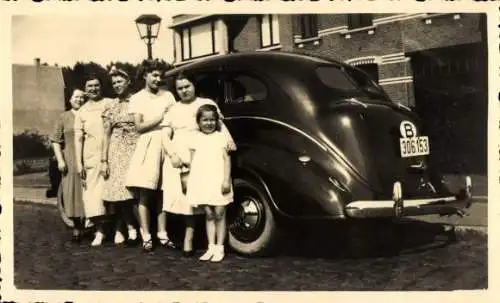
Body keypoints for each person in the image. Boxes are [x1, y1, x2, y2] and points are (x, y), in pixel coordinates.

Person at [161, 74, 236, 257]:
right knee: (189, 199)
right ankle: (191, 238)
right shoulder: (173, 109)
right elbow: (165, 135)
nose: (184, 90)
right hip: (181, 155)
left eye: (187, 86)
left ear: (194, 85)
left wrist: (229, 141)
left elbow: (219, 125)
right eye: (179, 88)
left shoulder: (205, 103)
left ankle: (206, 242)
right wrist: (172, 155)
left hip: (206, 152)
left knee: (210, 204)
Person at [125, 59, 176, 253]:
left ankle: (163, 234)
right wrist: (161, 118)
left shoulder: (169, 95)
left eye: (160, 75)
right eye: (154, 75)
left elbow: (174, 119)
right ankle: (146, 235)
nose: (158, 78)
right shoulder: (137, 98)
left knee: (164, 191)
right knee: (145, 192)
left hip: (167, 142)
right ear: (145, 75)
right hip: (148, 144)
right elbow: (139, 127)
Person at [184, 104, 235, 262]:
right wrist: (192, 181)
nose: (209, 123)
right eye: (205, 120)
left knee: (220, 213)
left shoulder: (221, 137)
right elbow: (193, 162)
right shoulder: (194, 138)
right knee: (209, 214)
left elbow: (227, 160)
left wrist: (226, 180)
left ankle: (220, 248)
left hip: (218, 179)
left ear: (216, 121)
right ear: (198, 122)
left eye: (212, 120)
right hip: (203, 181)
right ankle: (211, 247)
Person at [100, 66, 139, 246]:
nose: (116, 85)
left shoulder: (138, 101)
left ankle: (140, 229)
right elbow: (106, 135)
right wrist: (104, 160)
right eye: (113, 82)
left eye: (119, 81)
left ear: (128, 82)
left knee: (137, 193)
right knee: (121, 193)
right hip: (117, 151)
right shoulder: (111, 106)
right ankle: (130, 228)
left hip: (136, 149)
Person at [75, 75, 114, 246]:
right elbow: (78, 139)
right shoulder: (82, 111)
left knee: (113, 194)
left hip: (111, 153)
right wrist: (79, 163)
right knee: (93, 196)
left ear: (101, 87)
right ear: (85, 90)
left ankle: (119, 229)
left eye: (96, 85)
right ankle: (100, 231)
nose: (93, 89)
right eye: (90, 86)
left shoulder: (110, 103)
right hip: (90, 157)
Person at [50, 88, 86, 242]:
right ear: (70, 100)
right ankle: (77, 228)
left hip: (89, 156)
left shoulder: (88, 114)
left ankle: (96, 226)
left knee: (90, 191)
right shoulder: (63, 117)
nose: (79, 99)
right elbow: (55, 140)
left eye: (82, 97)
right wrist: (60, 160)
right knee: (73, 192)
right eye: (76, 97)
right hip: (70, 158)